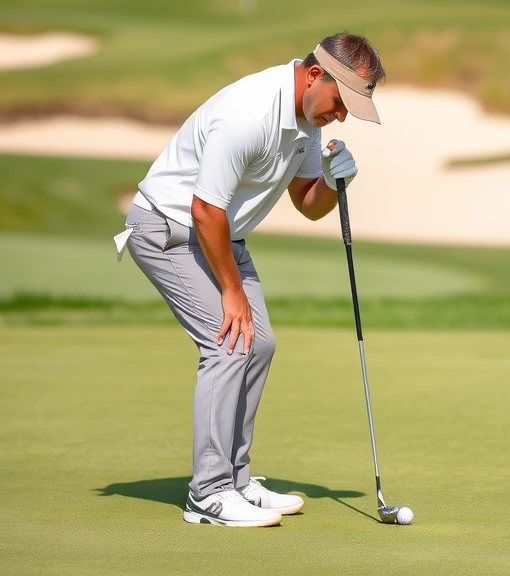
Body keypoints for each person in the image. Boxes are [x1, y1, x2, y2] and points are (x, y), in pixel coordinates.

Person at [113, 32, 385, 527]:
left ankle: (235, 479)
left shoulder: (305, 120)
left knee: (258, 345)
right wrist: (232, 292)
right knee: (228, 343)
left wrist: (334, 179)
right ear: (315, 75)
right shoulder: (250, 115)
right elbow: (203, 207)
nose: (341, 116)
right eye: (341, 103)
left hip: (218, 236)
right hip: (167, 229)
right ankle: (209, 494)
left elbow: (308, 205)